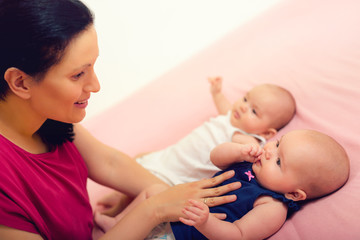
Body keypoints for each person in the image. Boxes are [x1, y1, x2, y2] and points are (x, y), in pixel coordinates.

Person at [0, 1, 242, 239]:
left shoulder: (49, 117)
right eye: (78, 74)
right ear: (20, 82)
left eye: (92, 67)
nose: (95, 86)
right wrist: (153, 210)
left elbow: (109, 162)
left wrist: (180, 198)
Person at [94, 129, 350, 240]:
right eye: (278, 143)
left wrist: (206, 222)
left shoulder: (272, 205)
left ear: (294, 193)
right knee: (154, 191)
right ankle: (120, 224)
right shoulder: (252, 161)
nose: (270, 151)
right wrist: (238, 151)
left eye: (280, 162)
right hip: (173, 205)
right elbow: (215, 156)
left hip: (183, 234)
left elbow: (239, 234)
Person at [135, 77, 296, 186]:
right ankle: (117, 203)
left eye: (254, 111)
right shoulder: (230, 118)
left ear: (267, 134)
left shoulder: (243, 137)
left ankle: (118, 211)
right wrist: (216, 93)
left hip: (177, 176)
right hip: (168, 158)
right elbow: (224, 107)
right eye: (246, 99)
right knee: (138, 159)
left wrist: (253, 149)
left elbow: (250, 147)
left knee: (141, 184)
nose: (242, 106)